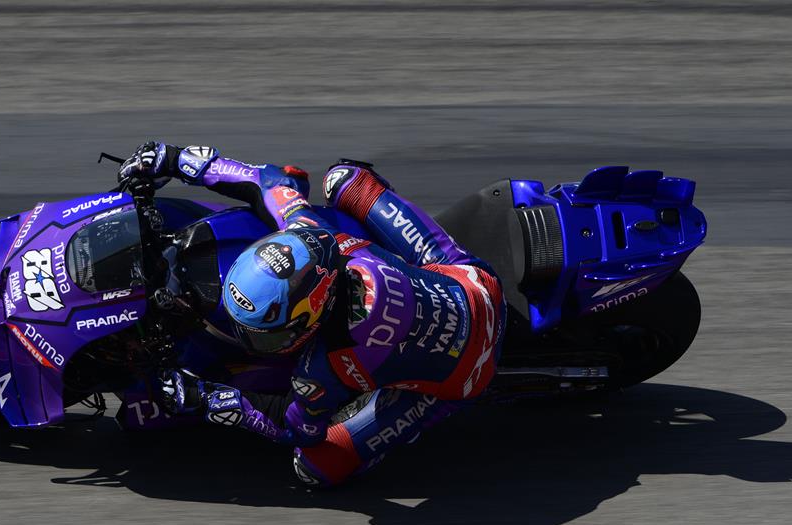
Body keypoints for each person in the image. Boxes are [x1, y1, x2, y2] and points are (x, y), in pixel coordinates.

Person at [119, 142, 505, 486]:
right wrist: (176, 159)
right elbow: (272, 181)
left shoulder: (327, 365)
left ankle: (385, 405)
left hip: (467, 376)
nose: (254, 340)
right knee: (344, 179)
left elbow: (295, 427)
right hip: (471, 281)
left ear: (311, 316)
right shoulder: (318, 238)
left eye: (268, 333)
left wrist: (206, 398)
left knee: (314, 466)